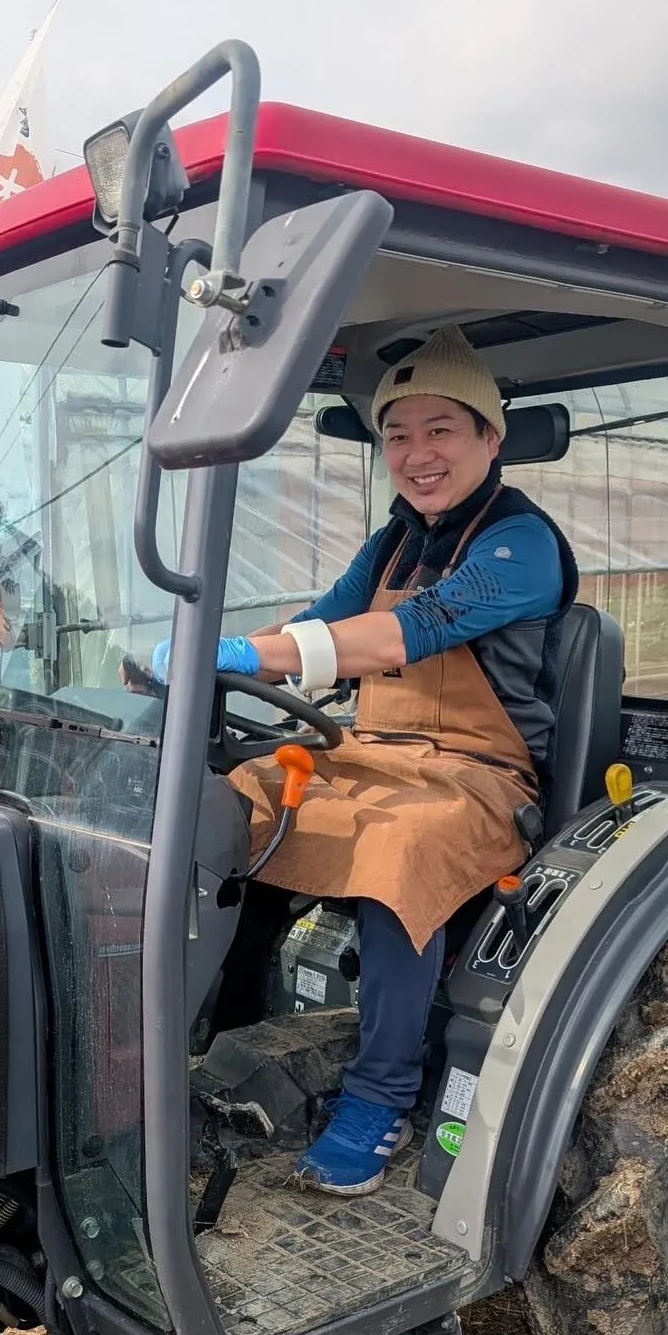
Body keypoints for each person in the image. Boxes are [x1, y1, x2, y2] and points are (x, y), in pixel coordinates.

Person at [156, 326, 578, 1194]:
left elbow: (400, 634)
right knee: (232, 802)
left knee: (399, 850)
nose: (417, 454)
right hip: (372, 752)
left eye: (440, 430)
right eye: (397, 434)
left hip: (479, 774)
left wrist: (244, 655)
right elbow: (320, 622)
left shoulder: (521, 543)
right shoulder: (392, 543)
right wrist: (205, 647)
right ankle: (214, 1037)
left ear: (489, 440)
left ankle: (380, 1098)